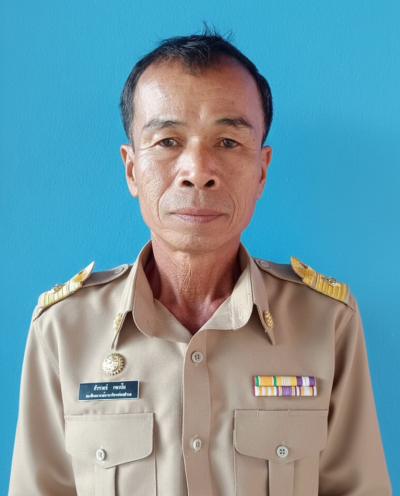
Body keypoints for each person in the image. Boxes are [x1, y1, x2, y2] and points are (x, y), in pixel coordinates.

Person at [8, 29, 391, 496]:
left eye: (227, 142)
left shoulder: (327, 321)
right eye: (168, 141)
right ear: (132, 169)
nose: (197, 171)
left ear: (262, 170)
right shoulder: (63, 329)